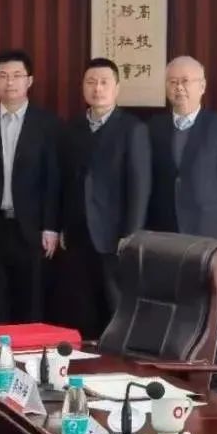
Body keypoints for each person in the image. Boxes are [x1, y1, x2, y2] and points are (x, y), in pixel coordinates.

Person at [147, 55, 217, 367]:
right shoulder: (154, 127)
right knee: (170, 308)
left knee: (214, 308)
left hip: (210, 234)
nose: (179, 88)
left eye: (186, 81)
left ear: (202, 86)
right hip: (166, 234)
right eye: (173, 82)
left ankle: (215, 380)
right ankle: (172, 375)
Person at [56, 58, 150, 338]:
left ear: (117, 88)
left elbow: (139, 186)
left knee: (115, 305)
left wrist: (130, 234)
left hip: (114, 234)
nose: (97, 88)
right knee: (81, 305)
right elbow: (64, 181)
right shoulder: (72, 128)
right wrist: (62, 226)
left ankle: (116, 360)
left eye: (104, 82)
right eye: (91, 82)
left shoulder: (132, 128)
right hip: (77, 232)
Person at [0, 49, 61, 323]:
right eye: (3, 75)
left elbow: (53, 178)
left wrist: (51, 226)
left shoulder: (47, 124)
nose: (10, 82)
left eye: (17, 75)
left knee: (30, 302)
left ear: (29, 81)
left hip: (31, 228)